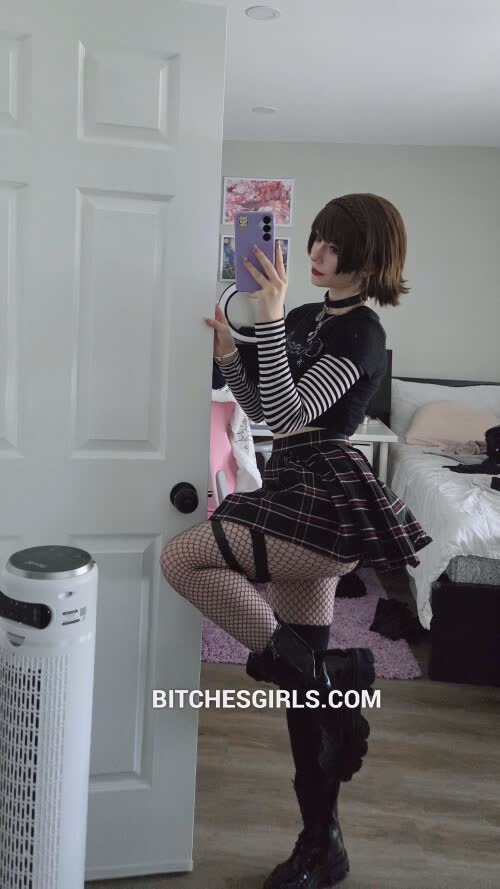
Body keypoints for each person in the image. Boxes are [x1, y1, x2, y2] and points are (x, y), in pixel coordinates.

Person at [160, 193, 432, 888]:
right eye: (314, 238)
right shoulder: (311, 316)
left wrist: (271, 319)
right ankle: (322, 841)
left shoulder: (363, 333)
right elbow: (260, 409)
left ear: (367, 256)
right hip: (289, 484)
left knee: (181, 557)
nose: (314, 253)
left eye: (332, 244)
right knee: (303, 700)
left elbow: (291, 413)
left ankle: (329, 674)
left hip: (325, 497)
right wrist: (232, 352)